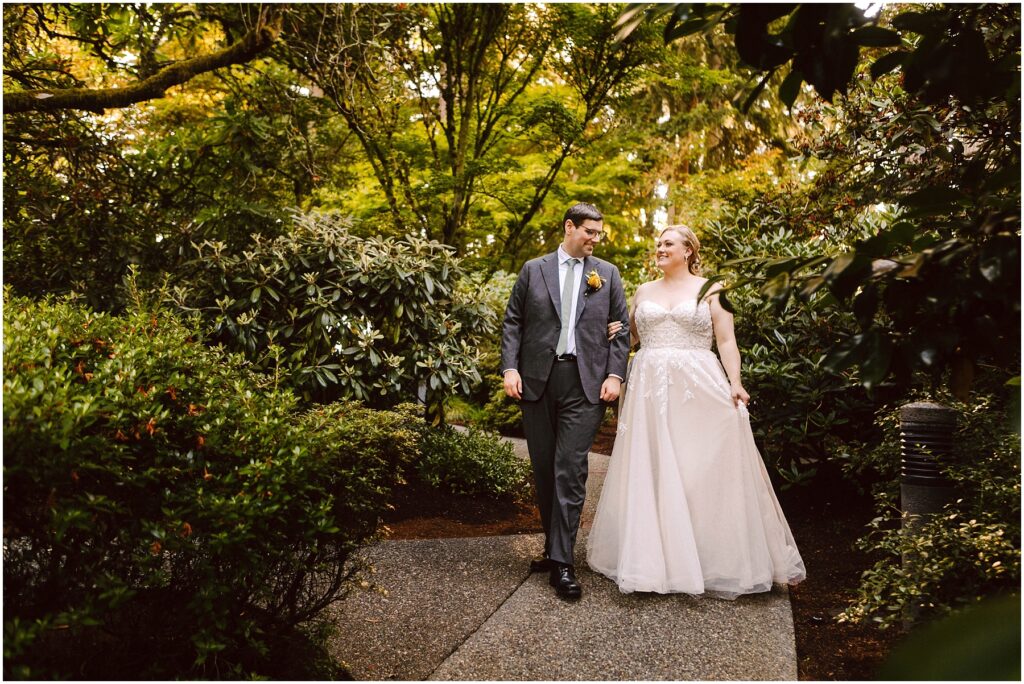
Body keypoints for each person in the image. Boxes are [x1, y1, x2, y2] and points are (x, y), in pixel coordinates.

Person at [587, 225, 805, 597]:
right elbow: (632, 338)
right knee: (655, 467)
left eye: (668, 243)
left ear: (688, 250)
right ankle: (655, 561)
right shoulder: (643, 291)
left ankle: (706, 558)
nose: (660, 248)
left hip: (698, 386)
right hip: (650, 388)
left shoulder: (713, 288)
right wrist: (615, 332)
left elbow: (726, 340)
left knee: (695, 469)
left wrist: (735, 382)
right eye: (658, 244)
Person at [501, 202, 630, 600]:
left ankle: (563, 562)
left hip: (585, 382)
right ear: (569, 227)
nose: (595, 239)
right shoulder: (533, 269)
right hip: (537, 381)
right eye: (589, 232)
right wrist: (510, 368)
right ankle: (553, 546)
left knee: (570, 469)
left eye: (599, 234)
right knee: (543, 468)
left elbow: (621, 328)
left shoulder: (606, 274)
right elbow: (513, 321)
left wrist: (614, 373)